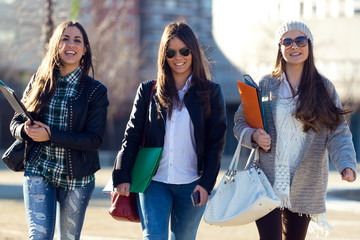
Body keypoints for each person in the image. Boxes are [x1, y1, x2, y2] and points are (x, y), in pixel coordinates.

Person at [233, 20, 357, 240]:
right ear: (280, 48)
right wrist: (253, 135)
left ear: (309, 46)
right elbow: (240, 123)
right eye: (287, 42)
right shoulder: (265, 85)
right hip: (267, 182)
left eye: (300, 41)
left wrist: (346, 163)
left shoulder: (324, 88)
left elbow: (338, 132)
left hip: (305, 185)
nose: (294, 46)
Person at [112, 22, 227, 240]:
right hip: (154, 183)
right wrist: (122, 174)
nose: (178, 57)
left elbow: (216, 145)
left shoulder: (211, 93)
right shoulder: (148, 91)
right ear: (164, 55)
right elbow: (132, 136)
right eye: (171, 52)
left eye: (184, 51)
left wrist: (206, 184)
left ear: (193, 51)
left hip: (193, 185)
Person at [10, 21, 109, 239]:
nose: (70, 44)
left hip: (78, 179)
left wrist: (50, 136)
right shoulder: (40, 80)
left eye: (77, 40)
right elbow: (15, 123)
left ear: (84, 50)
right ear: (56, 45)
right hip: (39, 170)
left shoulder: (96, 91)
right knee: (39, 236)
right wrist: (25, 130)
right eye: (65, 39)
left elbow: (94, 139)